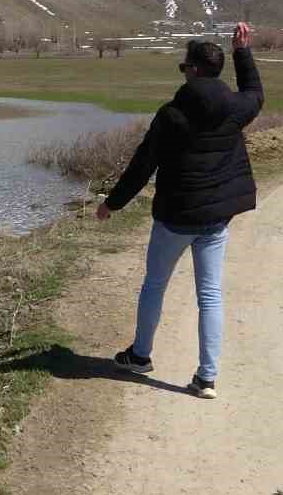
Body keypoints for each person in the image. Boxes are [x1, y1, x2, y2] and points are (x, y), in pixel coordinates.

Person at [94, 22, 264, 398]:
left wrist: (112, 204)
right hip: (215, 220)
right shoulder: (236, 108)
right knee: (210, 294)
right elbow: (255, 92)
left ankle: (140, 356)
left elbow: (142, 165)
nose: (183, 72)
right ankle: (207, 377)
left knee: (155, 285)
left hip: (174, 219)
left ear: (195, 70)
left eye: (184, 66)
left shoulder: (171, 114)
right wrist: (243, 52)